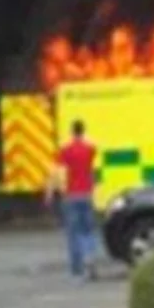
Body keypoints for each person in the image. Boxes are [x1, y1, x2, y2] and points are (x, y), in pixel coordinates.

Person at [47, 119, 99, 281]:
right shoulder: (90, 150)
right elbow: (92, 168)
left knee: (73, 233)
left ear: (72, 131)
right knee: (88, 230)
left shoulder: (65, 151)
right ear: (83, 131)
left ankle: (77, 270)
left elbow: (56, 173)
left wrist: (49, 192)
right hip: (87, 194)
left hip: (70, 195)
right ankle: (90, 257)